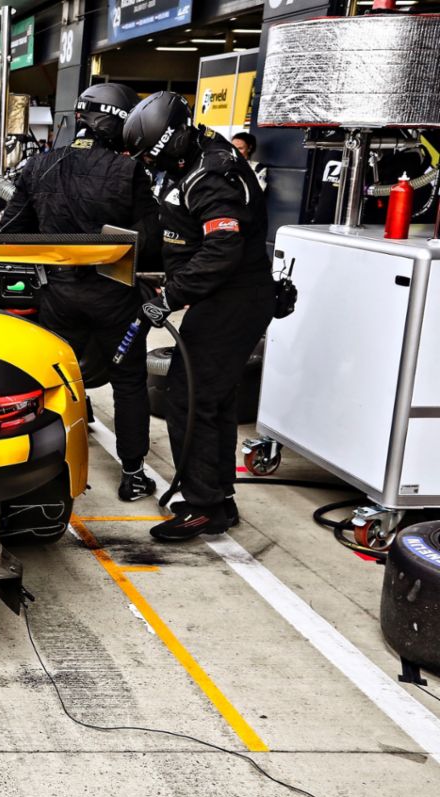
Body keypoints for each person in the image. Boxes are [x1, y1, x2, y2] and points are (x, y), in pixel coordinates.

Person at [0, 83, 161, 502]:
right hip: (116, 297)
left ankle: (53, 466)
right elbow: (151, 242)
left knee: (58, 379)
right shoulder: (130, 171)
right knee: (128, 382)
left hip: (58, 294)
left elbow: (10, 231)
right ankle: (133, 472)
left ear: (81, 118)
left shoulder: (40, 164)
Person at [123, 92, 274, 541]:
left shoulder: (212, 174)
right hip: (223, 297)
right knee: (213, 398)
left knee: (187, 397)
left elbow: (221, 250)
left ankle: (203, 506)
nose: (150, 164)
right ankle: (218, 498)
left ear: (170, 141)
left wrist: (171, 295)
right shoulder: (191, 160)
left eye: (152, 155)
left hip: (233, 298)